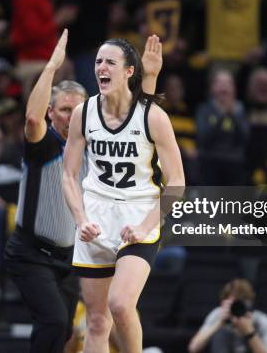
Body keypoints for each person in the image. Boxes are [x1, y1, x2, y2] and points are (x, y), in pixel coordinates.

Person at [5, 29, 163, 353]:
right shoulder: (45, 144)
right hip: (33, 252)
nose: (69, 116)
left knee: (74, 326)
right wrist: (51, 67)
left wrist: (149, 77)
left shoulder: (93, 142)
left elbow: (136, 121)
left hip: (72, 251)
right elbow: (33, 117)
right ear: (53, 113)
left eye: (75, 110)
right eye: (63, 110)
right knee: (53, 321)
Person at [62, 37, 184, 353]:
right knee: (97, 321)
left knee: (119, 304)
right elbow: (69, 176)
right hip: (96, 214)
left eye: (110, 62)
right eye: (98, 62)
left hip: (139, 213)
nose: (101, 68)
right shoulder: (82, 113)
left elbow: (177, 182)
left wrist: (146, 226)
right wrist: (80, 219)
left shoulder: (153, 116)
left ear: (130, 71)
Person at [188, 279, 267, 353]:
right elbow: (193, 348)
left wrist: (250, 333)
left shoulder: (263, 321)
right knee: (220, 333)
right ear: (224, 302)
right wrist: (219, 323)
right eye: (232, 304)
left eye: (239, 304)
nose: (235, 309)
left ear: (250, 304)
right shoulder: (218, 314)